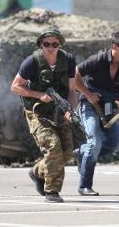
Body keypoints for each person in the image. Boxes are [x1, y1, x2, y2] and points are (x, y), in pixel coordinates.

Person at [11, 27, 77, 203]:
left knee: (67, 153)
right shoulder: (32, 62)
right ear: (41, 44)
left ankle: (37, 171)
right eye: (47, 44)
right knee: (53, 146)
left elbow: (72, 90)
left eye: (55, 44)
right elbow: (15, 86)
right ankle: (52, 191)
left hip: (60, 110)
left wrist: (70, 110)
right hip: (37, 111)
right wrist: (38, 95)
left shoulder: (69, 60)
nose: (51, 47)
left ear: (59, 45)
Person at [75, 31, 119, 196]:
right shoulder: (98, 59)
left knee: (117, 143)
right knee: (95, 142)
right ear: (114, 46)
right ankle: (84, 185)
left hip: (108, 108)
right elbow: (74, 75)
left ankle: (81, 152)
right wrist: (88, 94)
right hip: (89, 105)